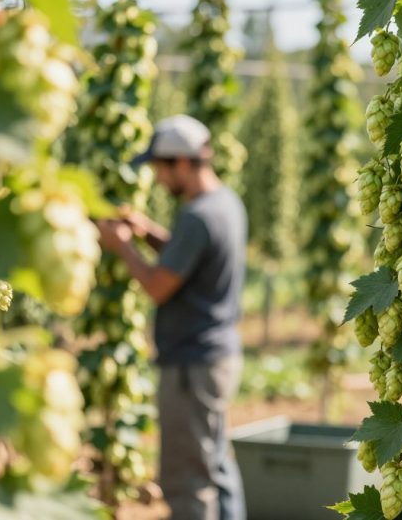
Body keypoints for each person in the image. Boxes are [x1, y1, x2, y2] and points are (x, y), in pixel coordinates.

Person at [97, 114, 247, 520]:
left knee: (186, 481)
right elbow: (189, 256)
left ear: (181, 163)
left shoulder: (197, 216)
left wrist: (121, 246)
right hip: (217, 357)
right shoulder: (224, 204)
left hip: (191, 367)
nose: (158, 179)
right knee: (215, 466)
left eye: (160, 169)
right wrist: (145, 232)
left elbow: (158, 286)